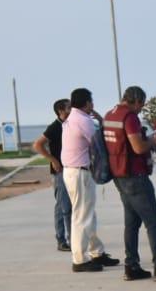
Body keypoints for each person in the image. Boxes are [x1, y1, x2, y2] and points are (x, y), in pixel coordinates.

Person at [103, 85, 156, 283]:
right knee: (154, 222)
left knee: (132, 223)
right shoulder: (129, 117)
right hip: (135, 176)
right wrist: (151, 140)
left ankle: (131, 265)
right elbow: (138, 147)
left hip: (119, 174)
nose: (141, 109)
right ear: (137, 101)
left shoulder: (110, 115)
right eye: (141, 105)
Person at [60, 87, 117, 273]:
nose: (93, 105)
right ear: (86, 103)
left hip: (74, 171)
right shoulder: (83, 120)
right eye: (91, 101)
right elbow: (98, 142)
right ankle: (79, 259)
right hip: (80, 173)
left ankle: (96, 251)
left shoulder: (72, 118)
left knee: (88, 214)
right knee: (82, 216)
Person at [31, 98, 72, 251]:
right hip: (59, 172)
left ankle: (67, 237)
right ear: (61, 111)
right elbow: (37, 144)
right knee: (63, 206)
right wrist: (53, 160)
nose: (72, 109)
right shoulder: (55, 127)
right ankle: (62, 240)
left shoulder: (70, 125)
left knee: (64, 205)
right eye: (69, 107)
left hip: (70, 169)